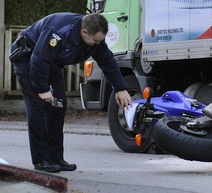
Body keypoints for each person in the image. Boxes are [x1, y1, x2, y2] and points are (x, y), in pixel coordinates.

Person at [9, 12, 132, 173]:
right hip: (28, 57)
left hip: (50, 62)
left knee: (59, 106)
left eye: (100, 41)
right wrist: (43, 89)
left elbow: (107, 61)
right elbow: (39, 60)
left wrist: (120, 88)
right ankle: (41, 160)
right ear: (84, 32)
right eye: (95, 41)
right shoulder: (59, 32)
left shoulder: (95, 38)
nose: (97, 44)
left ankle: (55, 158)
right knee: (37, 108)